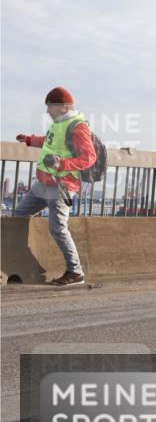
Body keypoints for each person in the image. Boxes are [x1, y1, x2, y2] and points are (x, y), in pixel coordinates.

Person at [13, 87, 96, 285]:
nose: (48, 110)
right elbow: (50, 142)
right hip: (42, 184)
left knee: (58, 229)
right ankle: (14, 259)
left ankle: (76, 272)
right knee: (17, 217)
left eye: (51, 106)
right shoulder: (58, 124)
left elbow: (89, 157)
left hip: (61, 187)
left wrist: (62, 164)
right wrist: (30, 140)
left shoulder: (77, 127)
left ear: (63, 106)